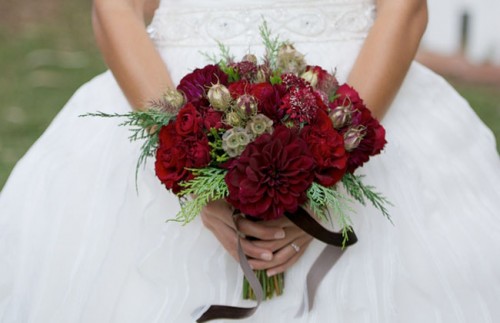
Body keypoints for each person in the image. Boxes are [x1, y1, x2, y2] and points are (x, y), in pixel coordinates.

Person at [1, 0, 499, 322]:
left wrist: (326, 164)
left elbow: (405, 8)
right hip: (171, 96)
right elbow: (115, 8)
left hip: (360, 90)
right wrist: (191, 165)